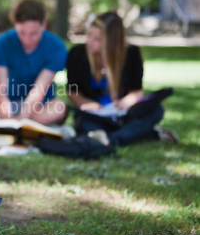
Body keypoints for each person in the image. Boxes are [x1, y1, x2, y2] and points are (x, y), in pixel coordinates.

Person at [67, 11, 179, 146]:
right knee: (83, 123)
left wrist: (125, 103)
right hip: (96, 116)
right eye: (89, 34)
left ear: (112, 41)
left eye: (97, 39)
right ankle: (146, 134)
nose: (89, 42)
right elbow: (72, 92)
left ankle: (111, 140)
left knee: (157, 110)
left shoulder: (132, 54)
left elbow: (136, 91)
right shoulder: (77, 54)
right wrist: (86, 103)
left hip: (123, 115)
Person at [0, 0, 68, 125]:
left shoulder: (56, 47)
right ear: (16, 25)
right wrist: (7, 115)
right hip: (10, 104)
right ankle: (23, 126)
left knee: (59, 107)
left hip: (40, 107)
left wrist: (19, 121)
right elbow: (0, 92)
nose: (27, 40)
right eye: (22, 33)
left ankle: (9, 125)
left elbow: (39, 90)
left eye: (33, 33)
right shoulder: (2, 43)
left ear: (43, 25)